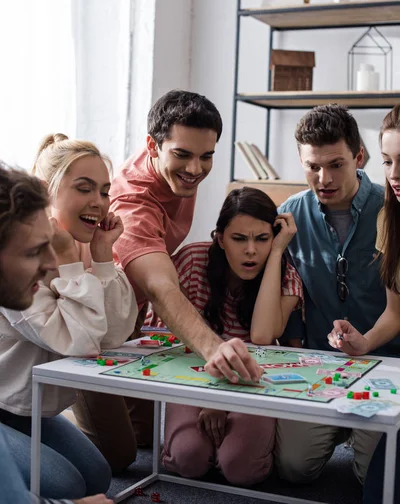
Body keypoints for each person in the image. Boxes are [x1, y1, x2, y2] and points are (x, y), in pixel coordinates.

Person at [73, 89, 263, 472]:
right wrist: (215, 348)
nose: (195, 169)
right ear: (153, 147)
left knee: (146, 435)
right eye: (182, 155)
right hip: (89, 323)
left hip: (130, 315)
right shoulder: (132, 203)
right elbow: (161, 287)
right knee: (117, 458)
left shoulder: (179, 172)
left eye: (206, 156)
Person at [0, 135, 138, 499]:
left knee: (97, 475)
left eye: (105, 191)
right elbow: (81, 342)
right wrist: (70, 262)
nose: (99, 202)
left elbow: (113, 335)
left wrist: (104, 255)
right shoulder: (19, 260)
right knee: (68, 484)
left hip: (28, 411)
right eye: (84, 188)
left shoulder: (69, 249)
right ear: (48, 191)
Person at [274, 104, 400, 486]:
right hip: (318, 365)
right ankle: (332, 428)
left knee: (373, 477)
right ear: (300, 159)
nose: (323, 178)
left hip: (385, 363)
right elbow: (289, 297)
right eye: (312, 166)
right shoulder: (289, 215)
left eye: (336, 165)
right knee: (294, 468)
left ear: (358, 157)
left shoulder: (391, 210)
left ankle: (358, 437)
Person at [162, 187, 303, 485]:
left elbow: (263, 337)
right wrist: (210, 396)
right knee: (188, 459)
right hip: (192, 376)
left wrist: (277, 252)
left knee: (242, 468)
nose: (251, 250)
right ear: (220, 238)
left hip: (252, 381)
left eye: (262, 239)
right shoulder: (191, 260)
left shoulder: (285, 274)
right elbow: (173, 343)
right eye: (239, 239)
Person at [327, 104, 400, 503]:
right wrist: (365, 342)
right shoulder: (390, 219)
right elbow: (395, 313)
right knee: (378, 491)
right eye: (387, 161)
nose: (395, 175)